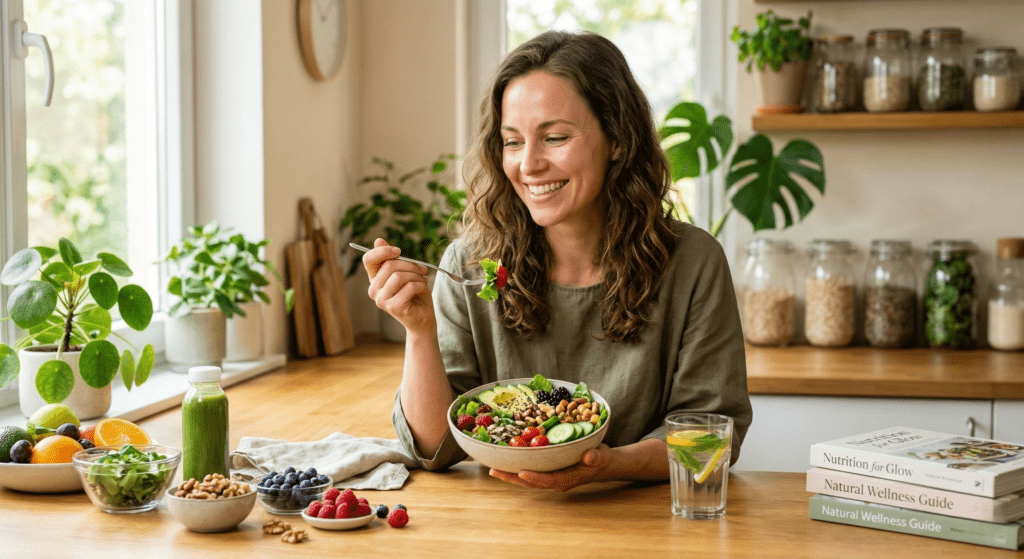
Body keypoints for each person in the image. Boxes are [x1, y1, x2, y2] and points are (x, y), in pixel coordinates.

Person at [360, 30, 752, 491]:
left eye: (555, 137)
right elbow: (435, 448)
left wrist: (608, 464)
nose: (529, 165)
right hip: (507, 529)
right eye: (512, 142)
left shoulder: (693, 263)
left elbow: (710, 437)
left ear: (618, 140)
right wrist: (419, 331)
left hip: (646, 525)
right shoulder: (469, 265)